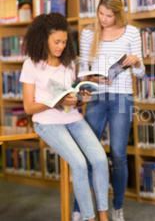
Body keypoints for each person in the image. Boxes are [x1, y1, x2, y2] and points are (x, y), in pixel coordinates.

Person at [20, 12, 109, 221]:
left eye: (64, 42)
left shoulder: (68, 63)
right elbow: (28, 107)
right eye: (56, 42)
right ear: (44, 39)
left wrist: (79, 99)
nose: (60, 46)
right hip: (46, 122)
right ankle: (90, 218)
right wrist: (55, 101)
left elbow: (71, 97)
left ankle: (104, 216)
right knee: (79, 164)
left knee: (100, 159)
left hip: (72, 118)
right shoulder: (31, 64)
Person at [73, 0, 145, 221]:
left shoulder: (132, 32)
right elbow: (81, 70)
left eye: (109, 16)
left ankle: (117, 209)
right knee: (90, 154)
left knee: (118, 155)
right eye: (101, 14)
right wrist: (93, 79)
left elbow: (141, 73)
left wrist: (137, 61)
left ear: (118, 14)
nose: (104, 19)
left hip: (121, 97)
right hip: (95, 96)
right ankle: (80, 209)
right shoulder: (88, 33)